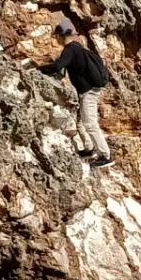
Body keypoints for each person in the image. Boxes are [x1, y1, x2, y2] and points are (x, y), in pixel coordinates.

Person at [32, 19, 111, 168]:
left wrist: (38, 70)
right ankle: (89, 149)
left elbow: (57, 67)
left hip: (88, 92)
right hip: (89, 91)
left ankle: (105, 156)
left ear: (61, 36)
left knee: (90, 123)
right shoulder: (78, 48)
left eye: (56, 36)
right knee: (81, 122)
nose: (56, 39)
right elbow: (64, 69)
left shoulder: (70, 50)